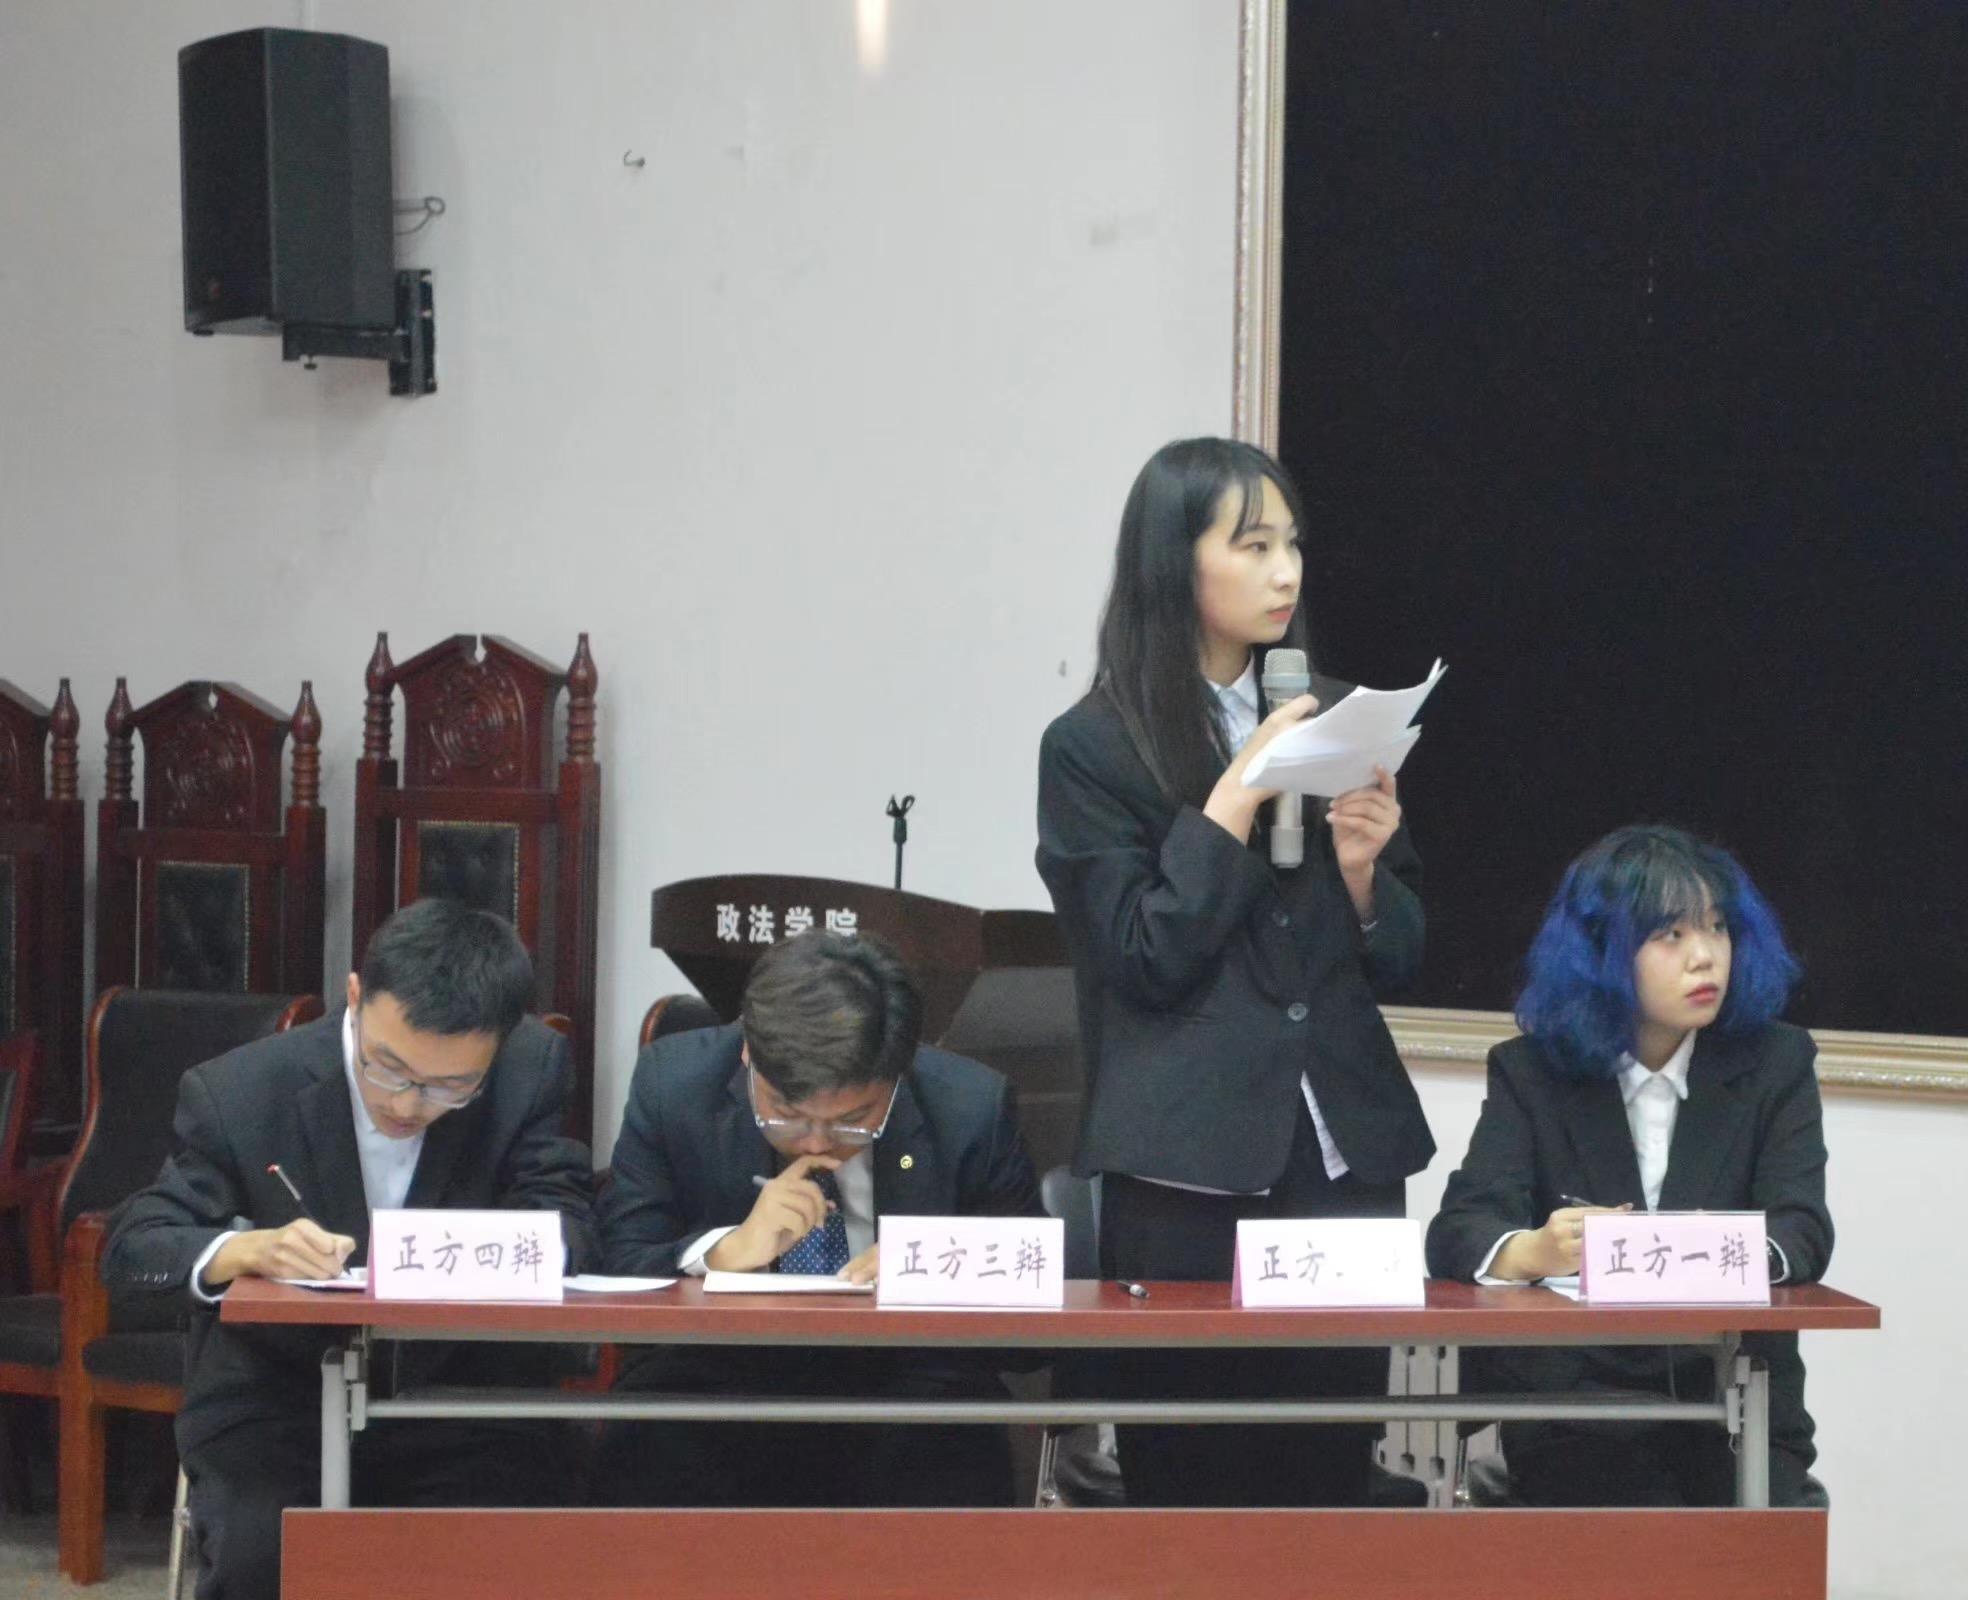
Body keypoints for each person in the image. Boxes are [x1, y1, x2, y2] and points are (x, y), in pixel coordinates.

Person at [1035, 435, 1434, 1507]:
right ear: (1175, 560)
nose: (1284, 571)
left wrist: (1363, 874)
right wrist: (1231, 806)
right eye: (1253, 545)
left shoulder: (1331, 710)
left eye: (1292, 544)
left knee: (1326, 1484)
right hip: (1188, 1170)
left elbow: (1398, 955)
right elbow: (1142, 956)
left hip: (1339, 1158)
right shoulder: (1093, 746)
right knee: (1193, 1486)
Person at [103, 899, 597, 1600]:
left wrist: (486, 1247)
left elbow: (568, 1221)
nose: (408, 1105)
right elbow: (136, 1247)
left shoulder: (531, 1069)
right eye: (388, 1068)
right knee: (263, 1554)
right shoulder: (241, 1089)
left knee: (505, 1551)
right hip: (279, 1405)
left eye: (451, 1087)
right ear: (357, 995)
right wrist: (243, 1250)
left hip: (461, 1401)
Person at [1426, 824, 1832, 1506]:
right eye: (1671, 935)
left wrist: (1722, 1252)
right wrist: (1533, 1250)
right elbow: (1461, 1230)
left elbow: (1803, 1231)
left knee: (1735, 1522)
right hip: (1574, 1408)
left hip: (1735, 1406)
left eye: (1718, 928)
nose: (1705, 956)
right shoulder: (1532, 1072)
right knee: (1612, 1497)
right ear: (1602, 955)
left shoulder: (1777, 1064)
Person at [594, 929, 1041, 1507]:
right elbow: (620, 1263)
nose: (815, 1142)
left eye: (854, 1120)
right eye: (785, 1113)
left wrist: (934, 1267)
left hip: (906, 1377)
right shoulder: (673, 1084)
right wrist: (724, 1253)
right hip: (718, 1368)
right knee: (654, 1442)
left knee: (946, 1450)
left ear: (899, 1073)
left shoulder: (971, 1106)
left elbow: (1038, 1306)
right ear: (748, 1053)